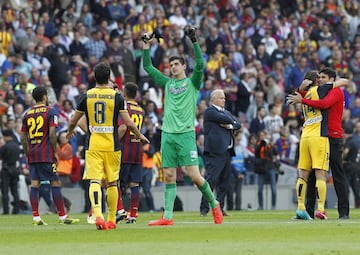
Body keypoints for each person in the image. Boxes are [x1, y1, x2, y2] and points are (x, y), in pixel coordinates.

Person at [142, 27, 224, 226]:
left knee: (194, 176)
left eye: (176, 64)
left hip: (186, 134)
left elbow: (200, 64)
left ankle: (214, 204)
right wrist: (146, 45)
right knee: (169, 175)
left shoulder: (193, 83)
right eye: (171, 65)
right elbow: (148, 67)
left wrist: (194, 41)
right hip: (168, 134)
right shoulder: (167, 83)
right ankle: (168, 217)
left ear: (184, 66)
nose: (173, 67)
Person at [66, 63, 149, 230]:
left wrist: (70, 131)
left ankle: (98, 215)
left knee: (94, 181)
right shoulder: (117, 97)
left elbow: (74, 120)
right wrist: (140, 136)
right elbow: (128, 123)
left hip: (94, 145)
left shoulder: (86, 96)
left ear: (94, 77)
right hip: (112, 145)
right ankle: (111, 219)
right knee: (112, 183)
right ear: (109, 77)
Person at [287, 68, 350, 219]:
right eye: (319, 77)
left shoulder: (335, 92)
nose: (320, 79)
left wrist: (301, 98)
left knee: (337, 173)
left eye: (323, 77)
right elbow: (310, 98)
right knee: (313, 174)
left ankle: (343, 211)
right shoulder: (321, 90)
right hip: (320, 135)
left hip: (333, 136)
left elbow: (323, 104)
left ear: (332, 79)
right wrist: (300, 90)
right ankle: (308, 211)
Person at [20, 86, 79, 225]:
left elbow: (23, 137)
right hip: (46, 153)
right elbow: (52, 133)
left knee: (35, 184)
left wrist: (27, 152)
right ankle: (63, 216)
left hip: (33, 153)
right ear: (45, 96)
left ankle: (36, 217)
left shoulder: (27, 114)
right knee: (55, 182)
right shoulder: (50, 111)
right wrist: (55, 151)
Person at [200, 89, 241, 216]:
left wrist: (230, 125)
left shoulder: (226, 112)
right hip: (215, 151)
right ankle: (204, 208)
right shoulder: (210, 112)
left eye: (224, 98)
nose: (224, 100)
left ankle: (220, 207)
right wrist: (231, 122)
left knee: (225, 181)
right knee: (212, 179)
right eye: (221, 98)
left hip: (227, 150)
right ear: (214, 99)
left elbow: (237, 124)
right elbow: (228, 119)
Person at [115, 82, 146, 224]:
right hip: (137, 150)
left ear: (125, 94)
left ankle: (120, 210)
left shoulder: (124, 107)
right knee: (134, 184)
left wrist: (114, 142)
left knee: (114, 181)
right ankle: (132, 214)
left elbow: (122, 128)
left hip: (124, 149)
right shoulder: (140, 109)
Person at [254, 130, 278, 210]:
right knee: (260, 189)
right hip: (261, 168)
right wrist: (262, 145)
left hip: (270, 167)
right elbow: (256, 153)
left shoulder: (269, 145)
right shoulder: (258, 145)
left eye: (263, 135)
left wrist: (270, 144)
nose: (262, 137)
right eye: (261, 136)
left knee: (273, 188)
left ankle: (273, 206)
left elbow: (276, 152)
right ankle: (260, 206)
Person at [0, 129, 21, 214]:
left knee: (5, 191)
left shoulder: (5, 147)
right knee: (15, 191)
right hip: (15, 169)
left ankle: (6, 210)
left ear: (6, 136)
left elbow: (1, 156)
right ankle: (16, 209)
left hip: (6, 169)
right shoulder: (17, 146)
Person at [342, 127, 360, 208]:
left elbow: (346, 152)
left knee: (346, 186)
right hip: (355, 165)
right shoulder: (355, 141)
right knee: (355, 186)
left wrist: (341, 158)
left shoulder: (349, 142)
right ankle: (358, 204)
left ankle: (345, 204)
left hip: (348, 165)